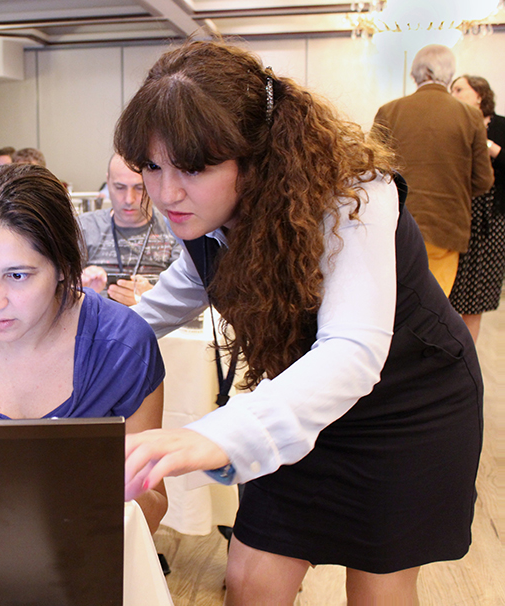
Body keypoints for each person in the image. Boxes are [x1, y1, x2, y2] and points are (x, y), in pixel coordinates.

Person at [117, 41, 482, 605]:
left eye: (193, 168)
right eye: (152, 167)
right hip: (299, 409)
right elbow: (155, 312)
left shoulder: (353, 196)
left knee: (379, 591)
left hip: (408, 409)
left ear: (256, 154)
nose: (166, 193)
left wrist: (211, 434)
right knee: (249, 582)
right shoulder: (209, 223)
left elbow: (351, 353)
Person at [0, 163, 168, 532]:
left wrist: (90, 478)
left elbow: (153, 510)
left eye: (17, 275)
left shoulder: (123, 347)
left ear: (61, 266)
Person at [372, 44, 494, 295]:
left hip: (395, 225)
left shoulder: (389, 111)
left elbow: (372, 169)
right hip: (446, 226)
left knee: (394, 303)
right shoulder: (470, 116)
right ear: (449, 75)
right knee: (433, 307)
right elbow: (483, 180)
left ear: (416, 74)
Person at [79, 154, 180, 306]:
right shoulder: (84, 227)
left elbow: (192, 296)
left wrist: (152, 299)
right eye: (119, 188)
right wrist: (79, 289)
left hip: (156, 324)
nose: (129, 199)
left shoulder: (175, 229)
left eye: (139, 188)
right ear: (108, 182)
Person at [448, 74, 505, 342]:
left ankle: (465, 359)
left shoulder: (501, 126)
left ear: (479, 95)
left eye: (460, 89)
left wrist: (488, 146)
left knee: (477, 296)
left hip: (491, 219)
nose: (454, 94)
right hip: (457, 215)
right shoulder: (453, 126)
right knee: (448, 292)